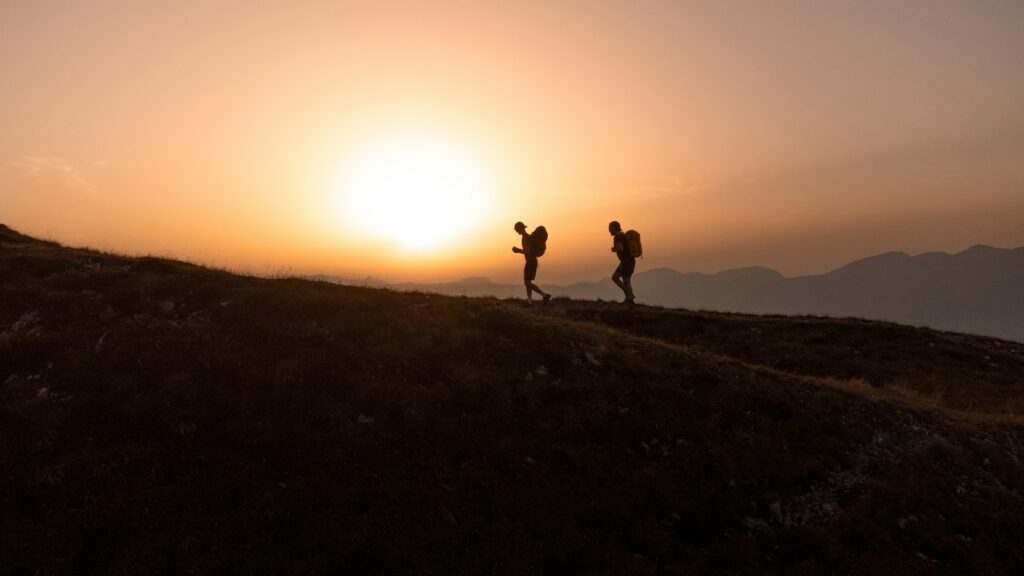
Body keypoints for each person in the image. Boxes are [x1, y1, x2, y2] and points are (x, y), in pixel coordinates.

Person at [512, 221, 551, 304]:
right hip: (531, 261)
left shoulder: (526, 238)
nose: (516, 231)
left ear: (520, 228)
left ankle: (544, 295)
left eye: (517, 229)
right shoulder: (528, 237)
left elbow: (528, 251)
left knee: (527, 282)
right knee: (528, 282)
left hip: (531, 262)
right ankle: (530, 301)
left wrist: (517, 250)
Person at [608, 220, 636, 305]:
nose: (609, 231)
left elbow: (620, 248)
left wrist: (614, 249)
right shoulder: (622, 235)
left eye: (610, 228)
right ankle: (629, 296)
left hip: (626, 262)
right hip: (627, 261)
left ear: (614, 228)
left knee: (626, 280)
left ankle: (630, 300)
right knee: (615, 277)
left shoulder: (618, 237)